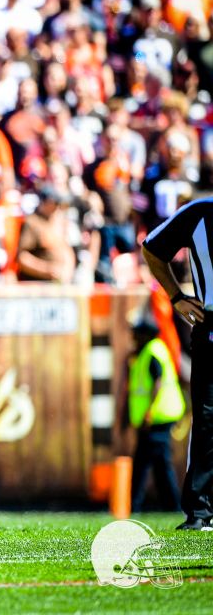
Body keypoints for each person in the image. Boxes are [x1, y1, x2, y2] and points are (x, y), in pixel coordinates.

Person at [142, 196, 213, 531]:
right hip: (210, 327)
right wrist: (175, 296)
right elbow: (152, 249)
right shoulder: (199, 213)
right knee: (207, 421)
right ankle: (201, 512)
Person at [128, 314, 186, 513]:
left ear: (145, 334)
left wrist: (148, 413)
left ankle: (136, 506)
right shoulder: (150, 351)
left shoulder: (152, 351)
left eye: (136, 333)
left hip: (157, 417)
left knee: (144, 463)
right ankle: (172, 507)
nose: (133, 336)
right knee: (159, 464)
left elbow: (157, 383)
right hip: (159, 416)